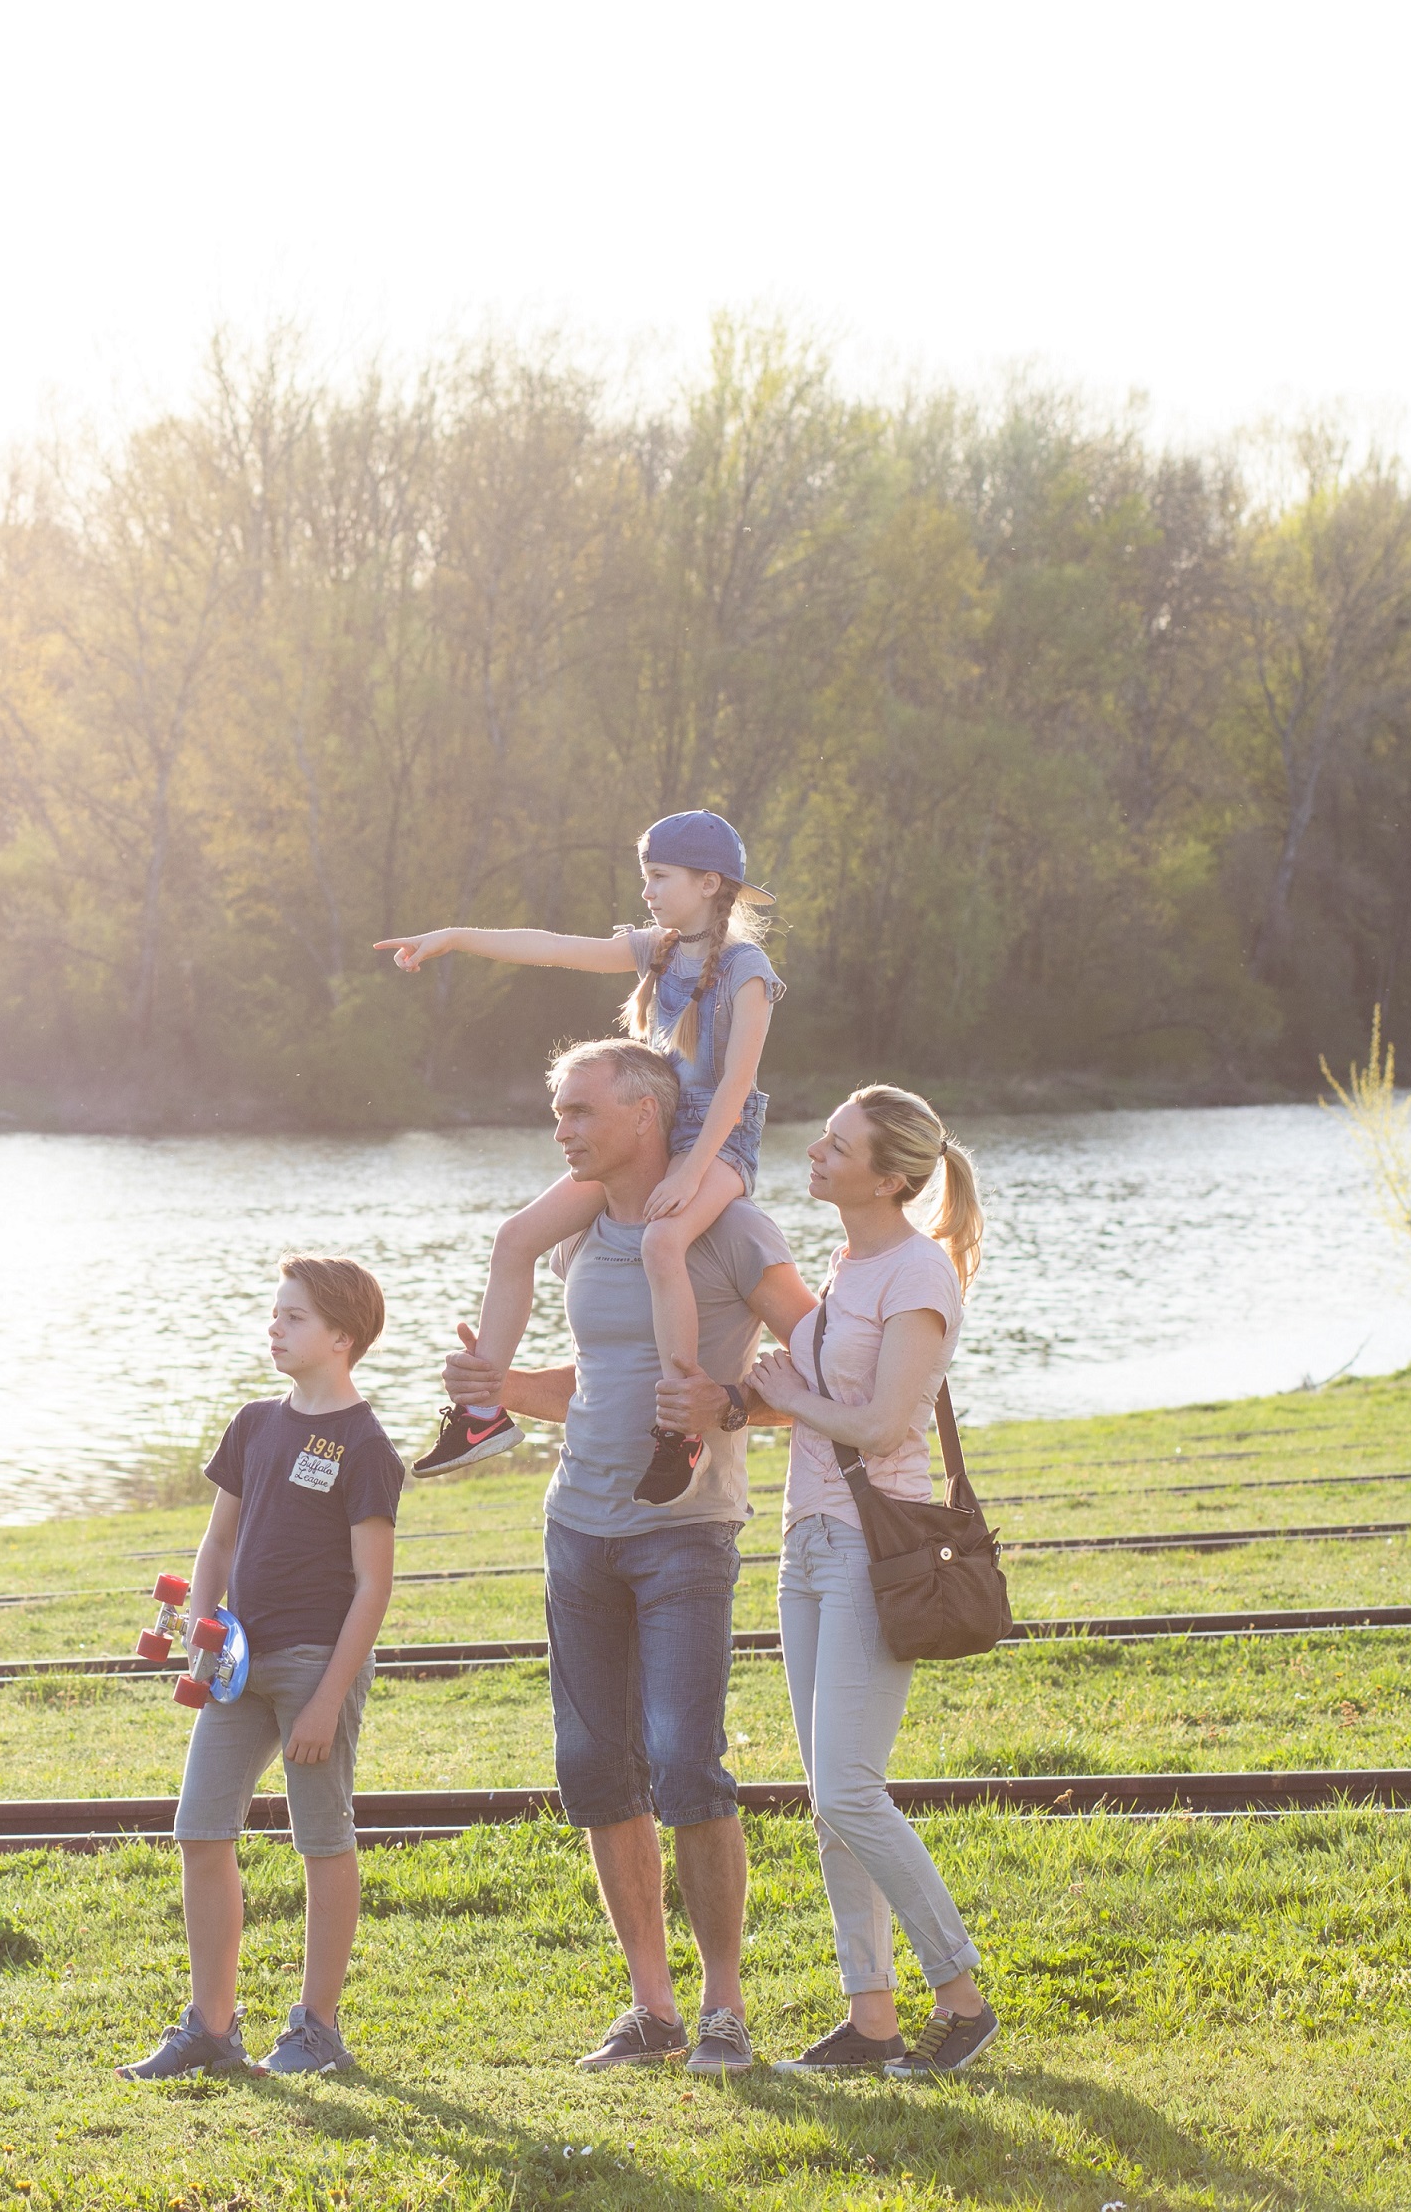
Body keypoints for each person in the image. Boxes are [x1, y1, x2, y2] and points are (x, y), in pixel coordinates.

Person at [439, 1039, 810, 2077]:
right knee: (597, 1769)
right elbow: (595, 1380)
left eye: (579, 1112)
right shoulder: (583, 1229)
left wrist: (731, 1403)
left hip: (685, 1532)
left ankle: (725, 2009)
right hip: (578, 1532)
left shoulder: (731, 1231)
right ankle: (651, 2009)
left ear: (646, 1115)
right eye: (557, 1112)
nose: (562, 1131)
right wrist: (499, 1384)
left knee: (688, 1766)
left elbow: (827, 1364)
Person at [379, 809, 784, 1488]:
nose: (648, 891)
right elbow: (550, 946)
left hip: (718, 1146)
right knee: (515, 1237)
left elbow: (736, 1084)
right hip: (650, 1142)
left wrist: (690, 1171)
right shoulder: (655, 948)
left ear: (709, 882)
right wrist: (453, 936)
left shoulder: (747, 969)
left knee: (661, 1243)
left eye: (660, 877)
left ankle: (677, 1431)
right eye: (645, 877)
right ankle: (481, 1413)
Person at [740, 1083, 1001, 2077]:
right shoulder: (849, 1267)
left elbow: (886, 1424)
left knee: (849, 1788)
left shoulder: (917, 1276)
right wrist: (760, 1398)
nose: (815, 1150)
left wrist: (790, 1392)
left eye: (837, 1144)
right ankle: (871, 2019)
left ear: (887, 1177)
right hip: (805, 1544)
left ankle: (962, 1997)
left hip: (869, 1551)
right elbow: (817, 1406)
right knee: (829, 1794)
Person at [117, 1256, 404, 2082]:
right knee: (199, 1832)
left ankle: (316, 2028)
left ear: (341, 1336)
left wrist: (326, 1698)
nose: (273, 1328)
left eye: (293, 1318)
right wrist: (205, 1635)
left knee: (322, 1840)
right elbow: (218, 1543)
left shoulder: (365, 1444)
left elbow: (373, 1585)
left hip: (318, 1665)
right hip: (239, 1666)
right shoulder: (252, 1424)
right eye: (273, 1314)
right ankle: (210, 2026)